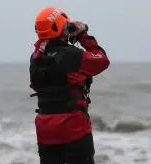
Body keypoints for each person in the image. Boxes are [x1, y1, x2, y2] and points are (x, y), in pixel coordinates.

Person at [29, 7, 110, 164]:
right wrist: (82, 35)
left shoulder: (35, 58)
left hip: (45, 130)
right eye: (66, 26)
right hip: (74, 128)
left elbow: (34, 83)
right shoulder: (73, 55)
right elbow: (102, 60)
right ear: (60, 28)